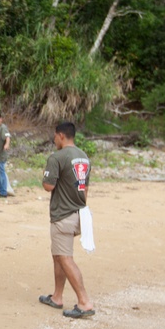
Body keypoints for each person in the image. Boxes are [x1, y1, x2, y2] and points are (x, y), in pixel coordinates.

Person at [39, 122, 95, 318]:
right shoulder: (84, 157)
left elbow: (48, 186)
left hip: (62, 214)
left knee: (65, 258)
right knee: (58, 255)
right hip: (79, 212)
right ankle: (57, 296)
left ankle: (84, 301)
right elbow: (85, 188)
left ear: (61, 135)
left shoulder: (57, 157)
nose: (54, 140)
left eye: (55, 136)